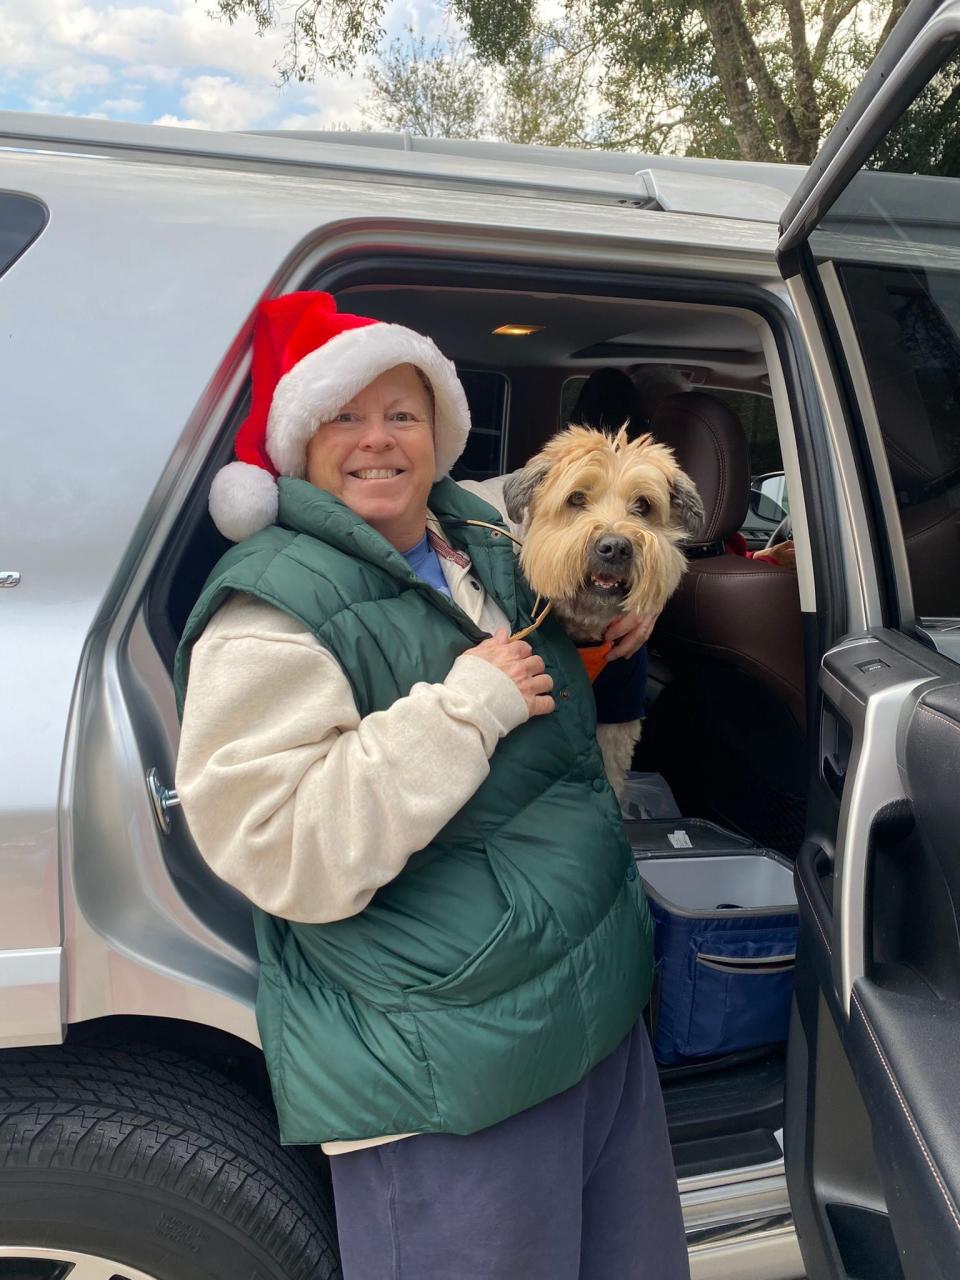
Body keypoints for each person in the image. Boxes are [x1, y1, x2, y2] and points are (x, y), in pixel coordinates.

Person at [174, 291, 690, 1280]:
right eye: (345, 415)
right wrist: (466, 707)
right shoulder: (268, 611)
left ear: (438, 432)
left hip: (587, 1011)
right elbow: (285, 846)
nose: (378, 440)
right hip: (448, 1058)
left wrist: (625, 614)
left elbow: (586, 540)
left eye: (402, 414)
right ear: (299, 440)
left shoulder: (472, 535)